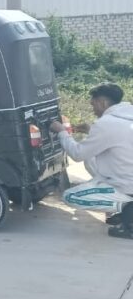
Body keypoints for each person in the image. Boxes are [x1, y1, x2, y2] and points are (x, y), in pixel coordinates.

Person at [51, 83, 133, 239]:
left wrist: (62, 132)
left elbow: (77, 154)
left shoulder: (106, 123)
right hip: (127, 174)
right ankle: (126, 210)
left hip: (127, 185)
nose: (92, 109)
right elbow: (118, 140)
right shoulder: (127, 115)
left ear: (103, 102)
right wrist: (90, 131)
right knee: (90, 159)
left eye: (93, 104)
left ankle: (128, 211)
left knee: (70, 197)